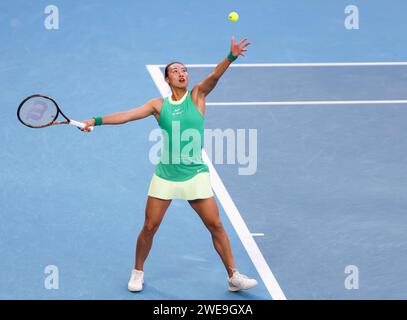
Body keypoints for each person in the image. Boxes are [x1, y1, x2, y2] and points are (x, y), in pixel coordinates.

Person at [80, 36, 257, 293]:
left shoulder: (197, 95)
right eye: (175, 71)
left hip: (195, 174)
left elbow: (214, 76)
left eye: (184, 70)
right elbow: (127, 116)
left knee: (216, 225)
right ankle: (137, 271)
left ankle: (233, 276)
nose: (181, 73)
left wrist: (230, 57)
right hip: (166, 176)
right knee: (150, 227)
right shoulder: (158, 105)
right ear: (167, 79)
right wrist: (95, 120)